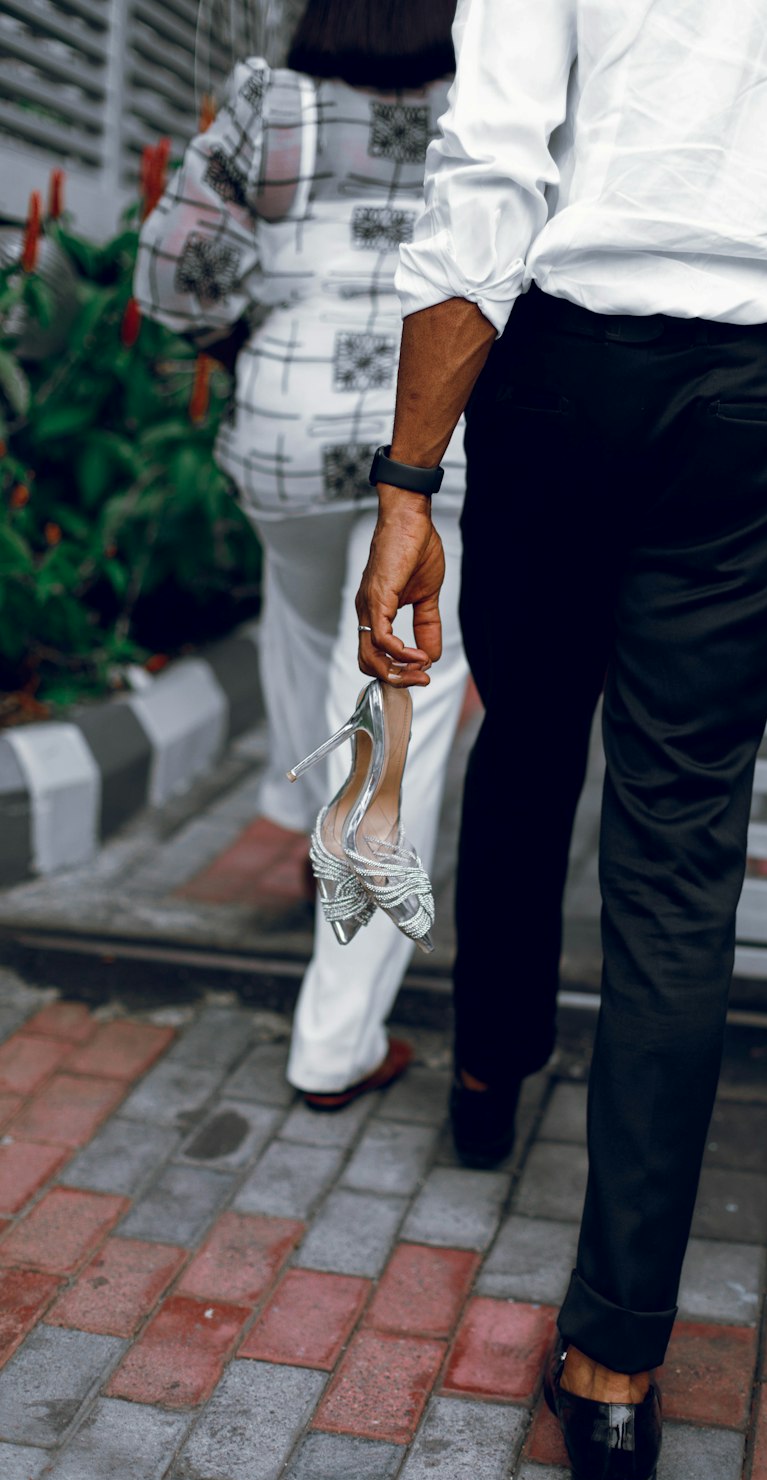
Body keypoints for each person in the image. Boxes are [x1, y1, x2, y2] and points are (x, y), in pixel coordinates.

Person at [354, 0, 767, 1480]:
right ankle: (612, 1373)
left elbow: (492, 168)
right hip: (764, 393)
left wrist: (408, 481)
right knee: (680, 858)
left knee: (530, 725)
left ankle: (489, 1079)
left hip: (563, 367)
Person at [134, 0, 466, 1109]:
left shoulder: (267, 104)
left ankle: (290, 819)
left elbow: (172, 262)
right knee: (390, 716)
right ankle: (333, 1041)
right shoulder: (491, 113)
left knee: (302, 606)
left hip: (281, 432)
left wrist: (243, 338)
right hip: (426, 455)